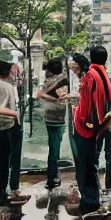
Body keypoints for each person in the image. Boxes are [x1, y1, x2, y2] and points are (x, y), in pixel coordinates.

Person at [71, 46, 111, 215]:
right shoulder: (103, 73)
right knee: (92, 163)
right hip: (103, 123)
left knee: (85, 164)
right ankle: (92, 198)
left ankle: (89, 201)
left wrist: (77, 114)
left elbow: (85, 107)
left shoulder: (90, 76)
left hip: (88, 127)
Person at [0, 61, 28, 206]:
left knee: (2, 158)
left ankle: (0, 190)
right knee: (13, 159)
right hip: (10, 125)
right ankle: (10, 190)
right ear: (6, 72)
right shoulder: (6, 86)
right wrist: (14, 113)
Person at [36, 59, 68, 190]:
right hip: (58, 118)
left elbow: (39, 94)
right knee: (55, 148)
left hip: (49, 117)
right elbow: (61, 100)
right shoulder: (63, 81)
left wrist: (44, 95)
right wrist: (52, 98)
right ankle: (52, 176)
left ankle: (53, 174)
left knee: (53, 147)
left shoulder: (47, 82)